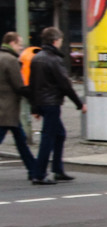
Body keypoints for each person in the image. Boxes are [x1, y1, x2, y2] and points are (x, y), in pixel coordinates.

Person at [28, 27, 86, 185]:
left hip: (42, 102)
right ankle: (39, 174)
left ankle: (58, 170)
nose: (61, 43)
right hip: (52, 103)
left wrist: (34, 108)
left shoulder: (37, 57)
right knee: (48, 137)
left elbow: (32, 85)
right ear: (55, 41)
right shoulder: (54, 59)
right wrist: (79, 104)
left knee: (59, 134)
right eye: (60, 40)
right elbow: (65, 85)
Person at [0, 31, 37, 180]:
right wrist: (34, 97)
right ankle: (34, 170)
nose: (21, 48)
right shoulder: (10, 60)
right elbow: (19, 86)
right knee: (20, 142)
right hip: (8, 110)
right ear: (12, 43)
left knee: (21, 141)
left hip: (4, 108)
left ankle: (33, 170)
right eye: (20, 44)